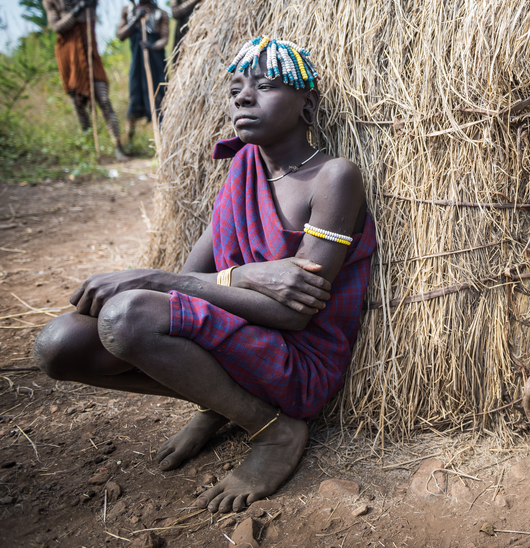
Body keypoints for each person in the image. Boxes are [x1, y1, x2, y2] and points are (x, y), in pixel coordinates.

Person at [33, 37, 377, 513]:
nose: (243, 96)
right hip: (238, 339)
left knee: (129, 314)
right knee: (59, 344)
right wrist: (247, 276)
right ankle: (218, 406)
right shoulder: (242, 171)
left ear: (308, 104)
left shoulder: (333, 177)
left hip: (298, 364)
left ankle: (274, 430)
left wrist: (155, 280)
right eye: (236, 87)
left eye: (268, 85)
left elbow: (293, 314)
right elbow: (195, 279)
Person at [42, 0, 126, 160]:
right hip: (68, 56)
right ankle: (91, 150)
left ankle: (118, 146)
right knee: (78, 104)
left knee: (104, 100)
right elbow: (57, 27)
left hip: (90, 54)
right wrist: (78, 10)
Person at [116, 0, 169, 146]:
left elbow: (165, 38)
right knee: (135, 97)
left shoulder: (160, 13)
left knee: (159, 98)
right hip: (138, 63)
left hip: (155, 62)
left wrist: (153, 46)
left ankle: (162, 140)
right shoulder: (128, 11)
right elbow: (121, 35)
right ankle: (128, 139)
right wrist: (135, 20)